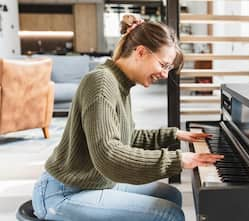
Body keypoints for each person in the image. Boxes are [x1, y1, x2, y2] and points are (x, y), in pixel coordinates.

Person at [32, 14, 223, 221]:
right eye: (164, 65)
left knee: (171, 194)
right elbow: (109, 155)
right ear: (141, 52)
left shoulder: (120, 83)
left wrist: (175, 135)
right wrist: (177, 160)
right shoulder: (101, 83)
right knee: (169, 214)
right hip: (63, 193)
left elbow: (126, 138)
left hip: (92, 182)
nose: (165, 74)